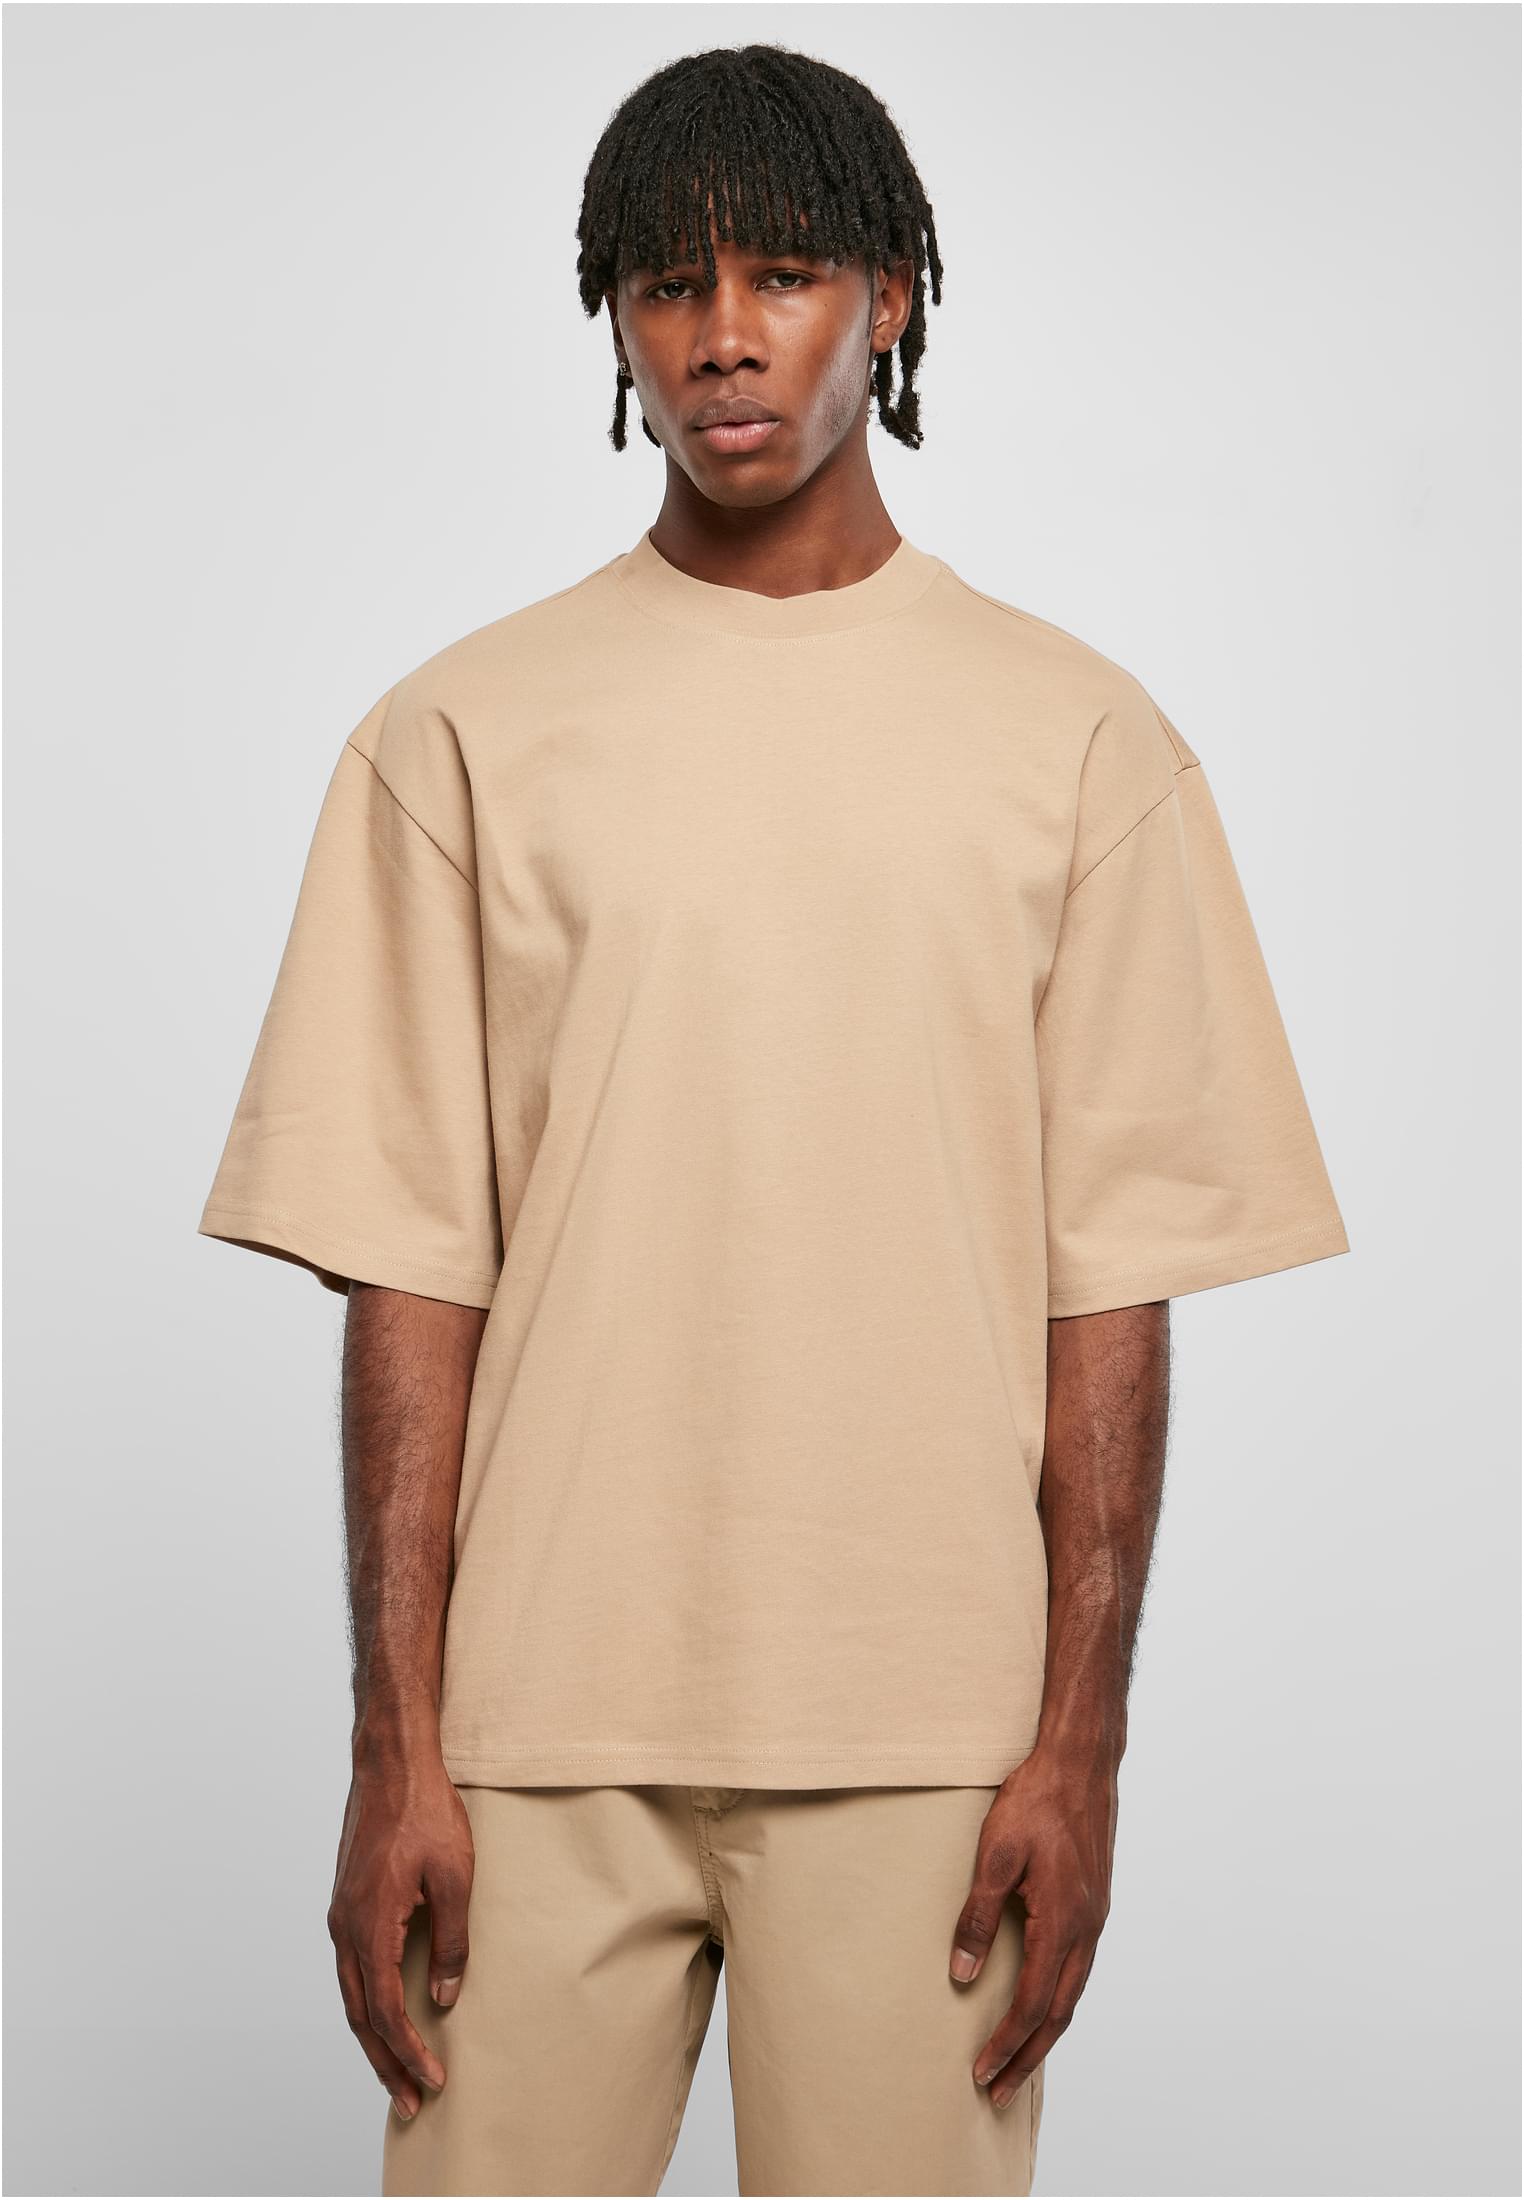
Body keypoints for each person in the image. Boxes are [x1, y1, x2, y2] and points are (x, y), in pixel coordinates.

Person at [198, 41, 1350, 2199]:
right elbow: (412, 1273)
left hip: (930, 1740)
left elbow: (1108, 1290)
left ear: (892, 297)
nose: (722, 335)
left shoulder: (1079, 743)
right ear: (615, 325)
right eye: (668, 283)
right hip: (533, 1734)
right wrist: (394, 1747)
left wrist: (1081, 1747)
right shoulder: (460, 734)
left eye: (786, 272)